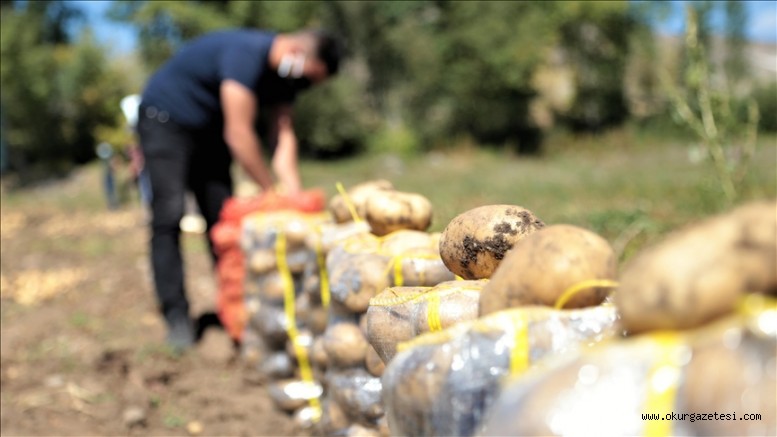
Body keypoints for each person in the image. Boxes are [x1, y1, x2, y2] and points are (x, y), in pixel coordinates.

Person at [136, 28, 344, 351]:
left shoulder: (284, 80)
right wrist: (269, 191)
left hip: (209, 131)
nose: (303, 86)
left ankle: (232, 308)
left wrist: (293, 195)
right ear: (297, 52)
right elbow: (238, 132)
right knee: (169, 213)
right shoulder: (247, 53)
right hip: (166, 120)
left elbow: (283, 136)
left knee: (221, 217)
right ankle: (176, 315)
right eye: (307, 78)